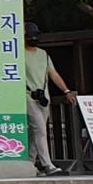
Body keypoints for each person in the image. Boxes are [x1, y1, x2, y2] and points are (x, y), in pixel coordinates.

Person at [24, 40, 76, 175]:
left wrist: (66, 91)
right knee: (40, 129)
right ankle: (48, 165)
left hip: (43, 97)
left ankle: (29, 164)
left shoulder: (43, 54)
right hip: (28, 95)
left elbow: (53, 74)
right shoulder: (19, 53)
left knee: (35, 133)